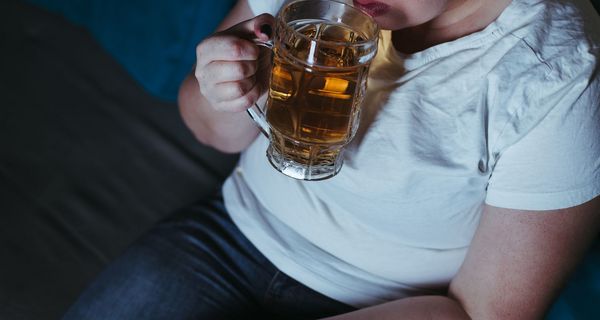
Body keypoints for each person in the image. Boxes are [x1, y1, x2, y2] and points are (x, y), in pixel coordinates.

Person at [64, 0, 600, 319]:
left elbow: (487, 312)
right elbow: (211, 132)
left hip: (389, 303)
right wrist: (222, 83)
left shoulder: (559, 72)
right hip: (230, 236)